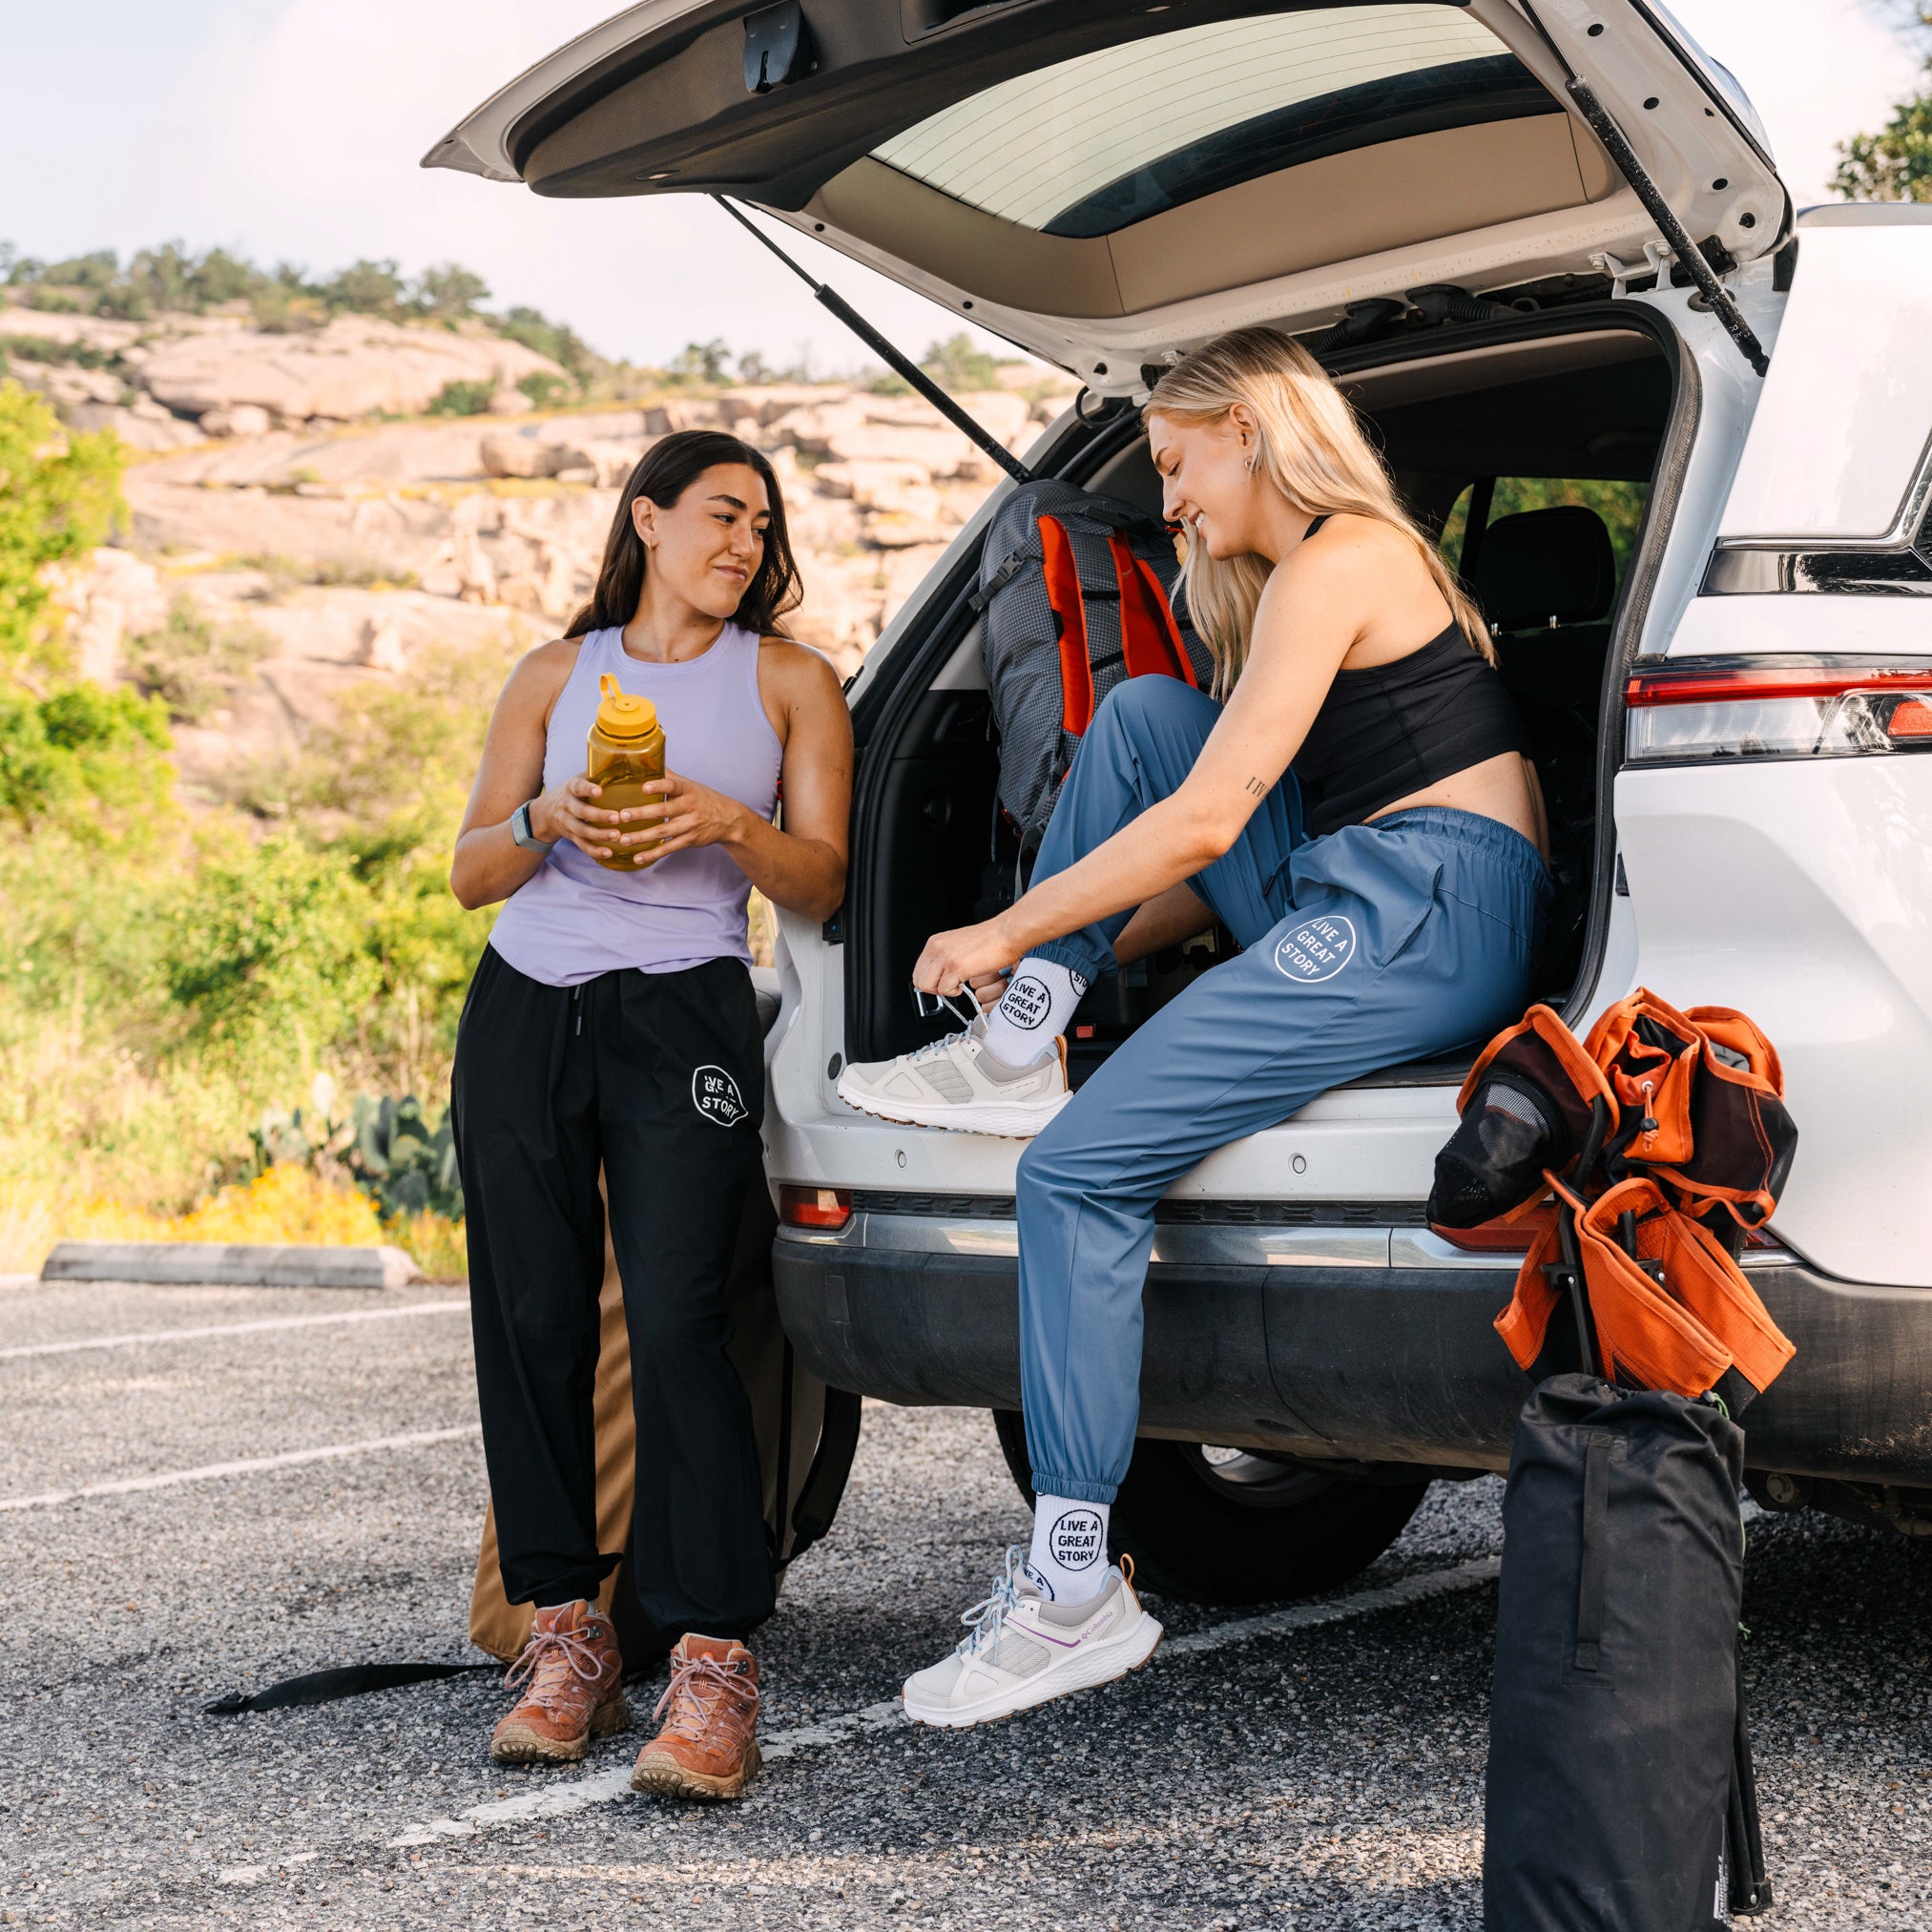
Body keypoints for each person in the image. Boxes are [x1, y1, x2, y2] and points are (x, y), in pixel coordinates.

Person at [839, 327, 1550, 1726]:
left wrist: (1008, 929)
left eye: (1175, 463)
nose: (1165, 499)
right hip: (1361, 878)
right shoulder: (1304, 582)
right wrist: (1055, 946)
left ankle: (1070, 1590)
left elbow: (1212, 826)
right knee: (1147, 718)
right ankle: (1021, 1040)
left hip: (1427, 904)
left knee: (1072, 1173)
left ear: (1251, 426)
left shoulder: (1343, 557)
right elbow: (1190, 859)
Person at [448, 429, 851, 1797]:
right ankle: (566, 1634)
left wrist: (725, 823)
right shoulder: (555, 674)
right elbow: (468, 871)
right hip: (526, 1004)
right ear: (648, 519)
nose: (745, 543)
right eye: (722, 515)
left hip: (683, 1009)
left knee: (681, 1318)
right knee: (534, 1316)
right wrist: (550, 818)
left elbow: (821, 881)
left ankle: (713, 1657)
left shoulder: (789, 681)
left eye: (762, 526)